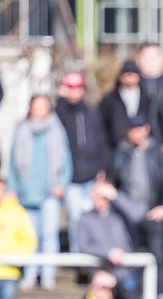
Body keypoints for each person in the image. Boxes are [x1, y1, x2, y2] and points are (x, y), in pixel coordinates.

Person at [9, 94, 72, 293]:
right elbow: (12, 163)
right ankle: (30, 274)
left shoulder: (57, 130)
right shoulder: (21, 130)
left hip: (50, 193)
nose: (39, 109)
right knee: (30, 237)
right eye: (36, 106)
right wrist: (12, 186)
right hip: (27, 193)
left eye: (43, 106)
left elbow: (65, 161)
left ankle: (48, 275)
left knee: (49, 234)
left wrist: (61, 184)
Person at [107, 115, 163, 299]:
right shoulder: (119, 153)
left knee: (157, 255)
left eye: (139, 129)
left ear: (146, 129)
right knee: (131, 257)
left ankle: (160, 295)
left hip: (152, 213)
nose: (136, 133)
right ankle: (136, 298)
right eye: (132, 129)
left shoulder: (156, 153)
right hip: (127, 216)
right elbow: (113, 185)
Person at [56, 71, 113, 222]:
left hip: (92, 178)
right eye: (70, 87)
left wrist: (102, 170)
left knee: (95, 219)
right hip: (71, 179)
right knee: (76, 221)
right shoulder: (59, 114)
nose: (74, 91)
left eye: (77, 87)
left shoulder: (91, 113)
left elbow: (101, 142)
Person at [71, 181, 139, 293]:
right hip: (101, 274)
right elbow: (83, 246)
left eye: (104, 196)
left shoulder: (118, 214)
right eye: (97, 195)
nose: (100, 199)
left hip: (125, 272)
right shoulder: (84, 219)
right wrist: (108, 253)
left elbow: (137, 216)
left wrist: (117, 196)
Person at [100, 59, 150, 151]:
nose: (129, 76)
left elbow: (152, 120)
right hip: (116, 149)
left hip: (142, 149)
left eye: (133, 73)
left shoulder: (146, 98)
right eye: (126, 73)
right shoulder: (110, 100)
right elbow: (102, 126)